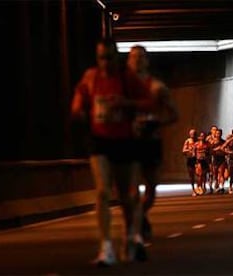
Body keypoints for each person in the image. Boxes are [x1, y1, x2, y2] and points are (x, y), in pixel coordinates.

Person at [70, 38, 150, 266]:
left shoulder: (128, 78)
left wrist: (126, 103)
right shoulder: (91, 77)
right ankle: (106, 247)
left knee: (127, 195)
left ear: (117, 57)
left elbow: (147, 102)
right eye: (101, 57)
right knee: (103, 192)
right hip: (99, 140)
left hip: (124, 140)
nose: (105, 62)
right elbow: (79, 99)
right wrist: (78, 111)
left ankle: (131, 237)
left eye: (109, 57)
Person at [126, 45, 179, 242]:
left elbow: (174, 114)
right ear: (128, 61)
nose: (137, 60)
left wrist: (157, 123)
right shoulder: (122, 87)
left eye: (141, 57)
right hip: (130, 141)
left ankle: (142, 214)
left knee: (151, 188)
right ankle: (137, 225)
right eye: (133, 57)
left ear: (147, 61)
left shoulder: (157, 87)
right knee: (132, 188)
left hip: (151, 141)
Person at [209, 128, 227, 193]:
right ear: (215, 134)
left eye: (219, 133)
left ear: (221, 134)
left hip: (222, 159)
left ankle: (222, 187)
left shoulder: (224, 142)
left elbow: (226, 151)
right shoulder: (212, 142)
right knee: (215, 174)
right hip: (215, 159)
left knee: (221, 173)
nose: (218, 134)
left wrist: (224, 151)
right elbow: (210, 151)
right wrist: (217, 149)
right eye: (217, 133)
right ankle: (216, 185)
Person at [182, 128, 198, 196]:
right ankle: (193, 189)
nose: (192, 135)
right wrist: (189, 150)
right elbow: (183, 150)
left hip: (198, 159)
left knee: (199, 174)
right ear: (189, 134)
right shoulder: (188, 141)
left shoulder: (198, 141)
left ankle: (199, 187)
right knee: (192, 175)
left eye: (194, 133)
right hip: (190, 160)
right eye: (191, 133)